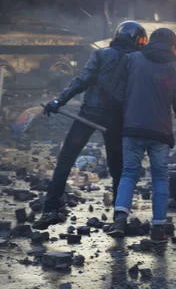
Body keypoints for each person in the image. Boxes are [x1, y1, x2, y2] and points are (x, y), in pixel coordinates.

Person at [33, 21, 148, 230]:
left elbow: (82, 81)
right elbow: (138, 95)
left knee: (66, 160)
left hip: (89, 113)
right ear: (137, 40)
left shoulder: (101, 54)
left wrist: (60, 101)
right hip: (116, 120)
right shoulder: (138, 61)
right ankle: (119, 219)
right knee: (117, 169)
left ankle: (50, 210)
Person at [109, 28, 176, 242]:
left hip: (132, 129)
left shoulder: (132, 59)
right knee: (160, 178)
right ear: (174, 47)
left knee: (129, 173)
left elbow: (115, 92)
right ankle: (158, 228)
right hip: (160, 133)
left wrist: (126, 110)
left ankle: (119, 220)